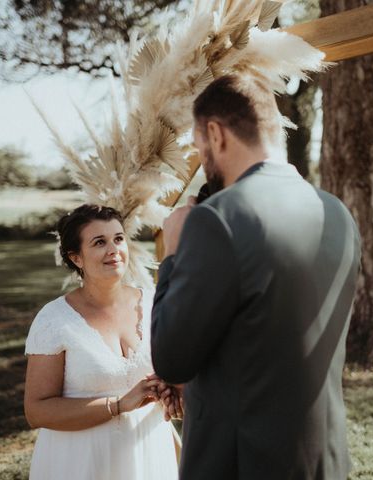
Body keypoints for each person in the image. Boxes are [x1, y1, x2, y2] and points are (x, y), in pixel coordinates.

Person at [151, 74, 361, 480]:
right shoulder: (337, 212)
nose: (203, 159)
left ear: (215, 134)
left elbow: (172, 359)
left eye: (199, 146)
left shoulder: (218, 219)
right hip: (324, 459)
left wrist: (172, 255)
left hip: (242, 464)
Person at [23, 204, 179, 480]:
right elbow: (37, 411)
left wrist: (173, 388)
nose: (114, 250)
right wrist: (119, 404)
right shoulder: (54, 320)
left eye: (119, 239)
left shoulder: (155, 302)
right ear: (76, 257)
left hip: (148, 450)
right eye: (99, 242)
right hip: (81, 460)